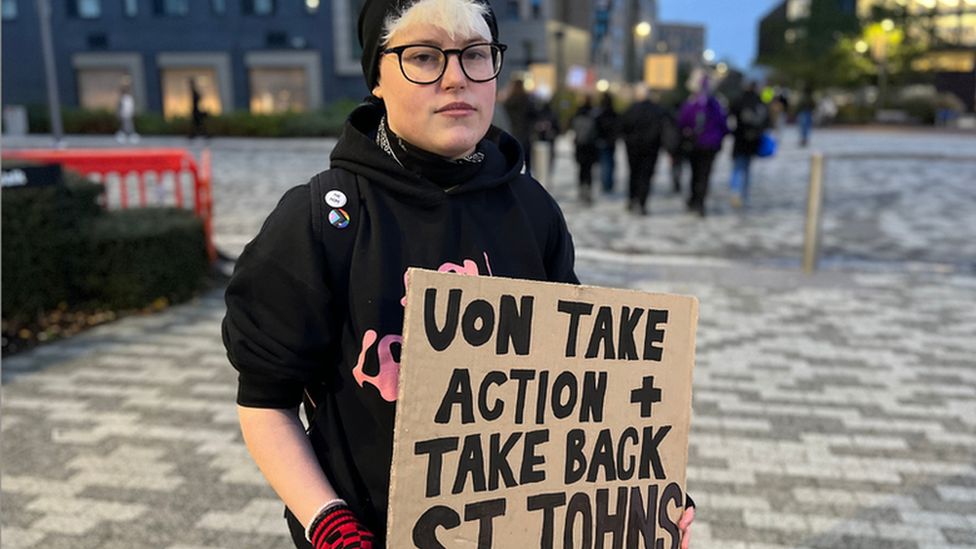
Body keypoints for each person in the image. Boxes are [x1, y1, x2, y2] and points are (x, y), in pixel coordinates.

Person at [223, 1, 698, 547]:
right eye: (423, 57)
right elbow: (265, 401)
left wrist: (636, 496)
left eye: (475, 54)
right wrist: (329, 522)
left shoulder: (532, 209)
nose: (456, 79)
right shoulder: (321, 219)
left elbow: (576, 381)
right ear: (376, 76)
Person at [678, 76, 728, 217]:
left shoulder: (692, 104)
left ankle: (695, 200)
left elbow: (682, 122)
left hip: (696, 144)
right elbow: (723, 125)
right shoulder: (715, 104)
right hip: (710, 145)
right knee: (704, 175)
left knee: (695, 173)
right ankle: (699, 201)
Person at [619, 85, 667, 215]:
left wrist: (629, 140)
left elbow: (623, 127)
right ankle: (642, 201)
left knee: (633, 174)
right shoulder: (656, 110)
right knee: (645, 176)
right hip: (651, 148)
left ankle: (632, 199)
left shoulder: (632, 109)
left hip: (633, 148)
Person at [728, 82, 770, 208]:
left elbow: (730, 119)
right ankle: (744, 195)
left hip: (740, 140)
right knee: (746, 169)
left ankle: (735, 192)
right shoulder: (759, 102)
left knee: (737, 168)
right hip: (753, 141)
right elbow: (766, 121)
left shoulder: (738, 100)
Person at [502, 77, 536, 174]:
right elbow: (534, 116)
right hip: (525, 135)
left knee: (513, 162)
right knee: (527, 164)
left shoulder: (508, 101)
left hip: (511, 133)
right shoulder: (527, 101)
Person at [571, 95, 599, 205]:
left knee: (581, 169)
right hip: (590, 146)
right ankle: (588, 189)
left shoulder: (577, 114)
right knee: (589, 170)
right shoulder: (594, 114)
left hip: (580, 145)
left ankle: (581, 188)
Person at [595, 92, 619, 195]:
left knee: (605, 163)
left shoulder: (599, 114)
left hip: (602, 141)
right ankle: (608, 183)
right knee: (609, 163)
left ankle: (606, 184)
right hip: (610, 141)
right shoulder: (613, 114)